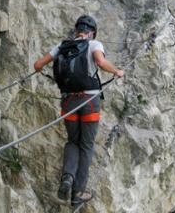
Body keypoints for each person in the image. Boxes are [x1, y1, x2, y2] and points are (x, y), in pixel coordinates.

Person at [33, 15, 124, 206]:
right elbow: (100, 62)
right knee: (86, 145)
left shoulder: (62, 47)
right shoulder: (94, 44)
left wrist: (43, 72)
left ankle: (67, 178)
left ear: (76, 30)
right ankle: (78, 193)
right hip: (89, 100)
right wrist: (117, 71)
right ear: (91, 32)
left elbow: (38, 65)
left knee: (73, 141)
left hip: (68, 102)